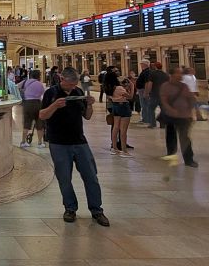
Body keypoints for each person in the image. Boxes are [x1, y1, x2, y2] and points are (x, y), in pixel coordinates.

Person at [39, 67, 109, 227]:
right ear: (61, 79)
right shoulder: (51, 93)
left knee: (91, 176)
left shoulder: (78, 93)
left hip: (79, 141)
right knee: (64, 178)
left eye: (74, 84)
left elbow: (87, 116)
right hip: (58, 143)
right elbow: (42, 115)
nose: (72, 87)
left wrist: (90, 105)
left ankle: (97, 210)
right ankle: (70, 208)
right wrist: (55, 106)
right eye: (70, 84)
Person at [158, 67, 198, 167]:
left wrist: (190, 110)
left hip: (184, 116)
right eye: (178, 73)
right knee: (171, 135)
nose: (181, 75)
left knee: (185, 137)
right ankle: (171, 154)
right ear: (171, 75)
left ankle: (189, 159)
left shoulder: (184, 86)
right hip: (171, 115)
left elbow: (191, 99)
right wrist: (171, 110)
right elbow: (164, 100)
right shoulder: (165, 86)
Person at [17, 70, 45, 148]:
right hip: (38, 103)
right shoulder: (40, 84)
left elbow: (16, 87)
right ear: (38, 76)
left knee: (27, 123)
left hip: (27, 104)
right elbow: (43, 94)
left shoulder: (25, 82)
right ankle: (40, 143)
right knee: (39, 123)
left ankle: (23, 142)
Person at [110, 76, 135, 157]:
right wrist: (132, 86)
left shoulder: (111, 88)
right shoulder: (119, 88)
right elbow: (130, 96)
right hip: (123, 106)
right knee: (123, 129)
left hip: (115, 106)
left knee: (116, 127)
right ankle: (124, 150)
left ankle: (114, 148)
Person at [136, 60, 152, 125]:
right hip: (142, 90)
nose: (140, 65)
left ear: (145, 64)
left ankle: (146, 119)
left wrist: (146, 92)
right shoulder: (145, 71)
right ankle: (145, 118)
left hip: (143, 90)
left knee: (145, 105)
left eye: (141, 64)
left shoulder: (147, 72)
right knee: (144, 105)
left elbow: (147, 82)